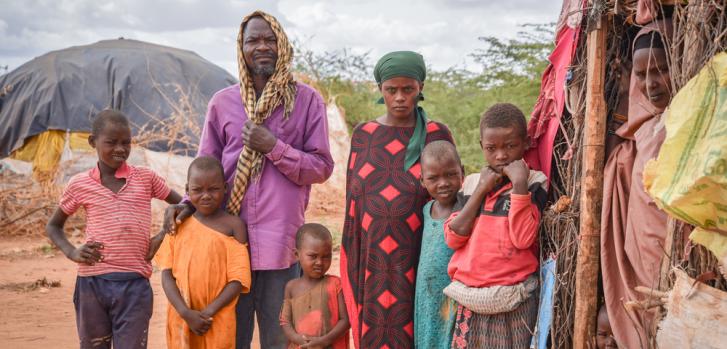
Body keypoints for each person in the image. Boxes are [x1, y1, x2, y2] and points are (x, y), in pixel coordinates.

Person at [166, 11, 333, 349]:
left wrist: (274, 147)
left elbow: (321, 167)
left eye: (269, 39)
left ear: (282, 45)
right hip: (225, 247)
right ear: (241, 48)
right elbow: (204, 170)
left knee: (279, 339)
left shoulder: (306, 101)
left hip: (281, 247)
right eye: (252, 40)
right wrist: (184, 205)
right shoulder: (222, 103)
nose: (262, 47)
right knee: (228, 339)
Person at [340, 51, 454, 349]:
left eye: (408, 89)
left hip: (419, 260)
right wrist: (352, 259)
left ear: (421, 87)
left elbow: (450, 193)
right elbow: (353, 207)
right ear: (380, 90)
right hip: (372, 262)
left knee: (419, 333)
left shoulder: (436, 134)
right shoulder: (363, 135)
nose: (400, 97)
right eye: (392, 90)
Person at [45, 109, 182, 349]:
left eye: (126, 142)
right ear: (93, 142)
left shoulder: (146, 178)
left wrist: (161, 235)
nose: (120, 149)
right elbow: (54, 226)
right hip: (92, 284)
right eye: (111, 142)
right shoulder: (80, 184)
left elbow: (184, 205)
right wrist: (72, 252)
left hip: (134, 285)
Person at [600, 19, 677, 349]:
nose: (651, 84)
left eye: (660, 70)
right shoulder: (640, 134)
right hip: (640, 269)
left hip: (679, 262)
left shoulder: (690, 124)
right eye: (641, 75)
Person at [445, 103, 547, 349]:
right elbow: (453, 238)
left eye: (510, 146)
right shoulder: (470, 185)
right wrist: (482, 188)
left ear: (526, 143)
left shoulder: (535, 182)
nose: (501, 155)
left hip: (513, 300)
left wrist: (519, 185)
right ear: (482, 147)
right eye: (492, 148)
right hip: (471, 299)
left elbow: (523, 239)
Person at [155, 156, 252, 349]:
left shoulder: (234, 226)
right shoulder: (179, 224)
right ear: (187, 191)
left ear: (225, 188)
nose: (205, 195)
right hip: (182, 317)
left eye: (213, 189)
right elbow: (166, 274)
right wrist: (186, 313)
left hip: (218, 318)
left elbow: (238, 280)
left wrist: (208, 312)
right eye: (198, 190)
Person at [413, 140, 463, 348]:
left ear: (462, 172)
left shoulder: (466, 209)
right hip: (425, 294)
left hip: (452, 297)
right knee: (426, 337)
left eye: (451, 174)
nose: (443, 183)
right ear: (422, 180)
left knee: (448, 339)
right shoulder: (426, 210)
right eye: (434, 178)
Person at [280, 223, 350, 349]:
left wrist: (324, 341)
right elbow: (285, 321)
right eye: (313, 256)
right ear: (297, 255)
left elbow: (346, 320)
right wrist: (298, 340)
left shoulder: (335, 285)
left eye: (326, 256)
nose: (319, 262)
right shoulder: (291, 287)